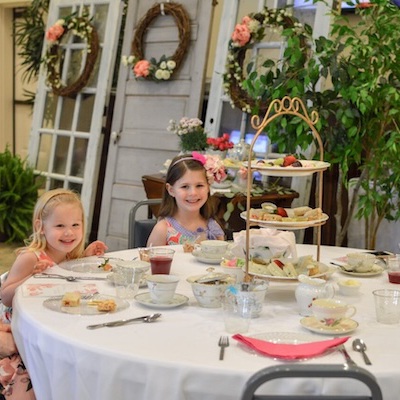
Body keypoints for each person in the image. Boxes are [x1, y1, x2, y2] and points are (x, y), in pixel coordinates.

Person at [0, 188, 108, 399]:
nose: (69, 233)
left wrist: (85, 257)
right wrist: (30, 276)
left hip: (52, 321)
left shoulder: (68, 254)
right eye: (60, 226)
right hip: (22, 329)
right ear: (40, 227)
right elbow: (5, 296)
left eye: (75, 225)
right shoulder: (31, 258)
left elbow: (64, 276)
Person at [147, 152, 226, 247]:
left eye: (199, 185)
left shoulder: (213, 227)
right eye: (185, 186)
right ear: (171, 190)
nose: (193, 193)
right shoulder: (163, 230)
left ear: (208, 187)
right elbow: (151, 260)